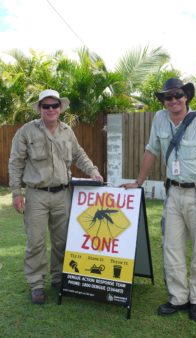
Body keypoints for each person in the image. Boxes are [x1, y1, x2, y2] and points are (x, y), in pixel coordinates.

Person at [121, 78, 196, 320]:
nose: (173, 100)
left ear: (186, 96)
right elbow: (151, 151)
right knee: (171, 247)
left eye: (177, 95)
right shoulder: (159, 119)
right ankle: (178, 298)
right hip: (173, 194)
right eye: (168, 97)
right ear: (163, 101)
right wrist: (139, 181)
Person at [8, 89, 103, 305]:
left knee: (62, 240)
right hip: (37, 195)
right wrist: (16, 192)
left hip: (62, 194)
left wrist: (93, 171)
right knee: (36, 241)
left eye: (54, 106)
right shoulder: (26, 131)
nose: (51, 109)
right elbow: (15, 162)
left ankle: (59, 278)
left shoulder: (67, 131)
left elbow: (79, 155)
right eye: (46, 106)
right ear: (40, 109)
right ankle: (36, 284)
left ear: (60, 108)